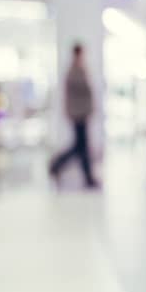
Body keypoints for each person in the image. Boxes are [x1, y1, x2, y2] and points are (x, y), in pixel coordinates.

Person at [49, 44, 97, 189]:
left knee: (81, 147)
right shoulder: (75, 71)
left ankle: (87, 177)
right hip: (78, 114)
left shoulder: (79, 69)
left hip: (81, 113)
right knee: (80, 147)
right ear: (78, 54)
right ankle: (56, 165)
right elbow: (80, 92)